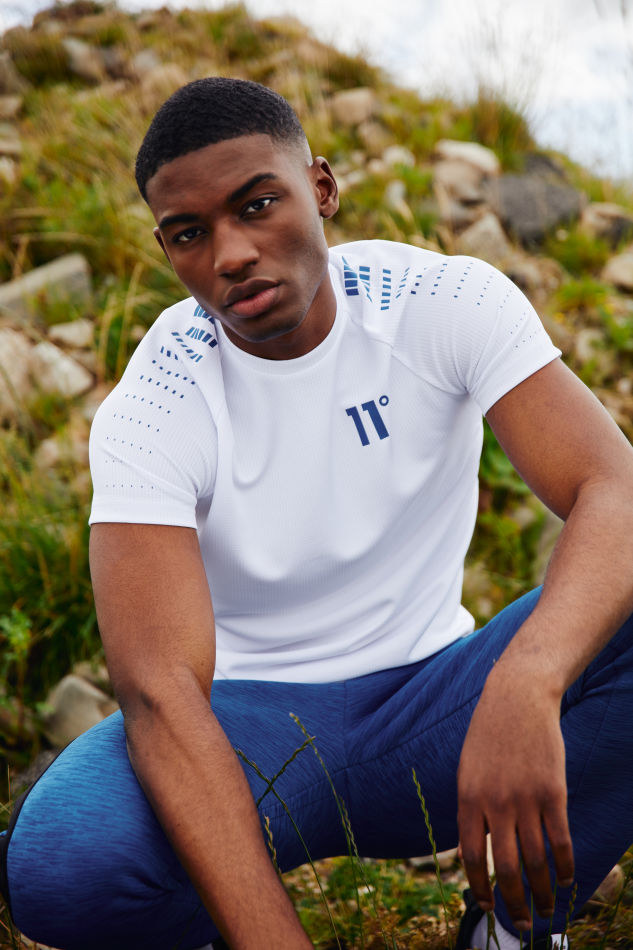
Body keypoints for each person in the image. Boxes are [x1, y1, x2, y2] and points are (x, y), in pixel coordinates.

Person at [1, 76, 633, 950]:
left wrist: (528, 682)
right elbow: (159, 692)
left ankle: (515, 927)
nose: (230, 254)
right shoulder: (155, 402)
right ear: (166, 247)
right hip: (249, 736)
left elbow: (613, 488)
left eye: (256, 204)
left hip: (438, 708)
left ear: (321, 187)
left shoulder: (440, 301)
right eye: (190, 233)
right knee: (59, 862)